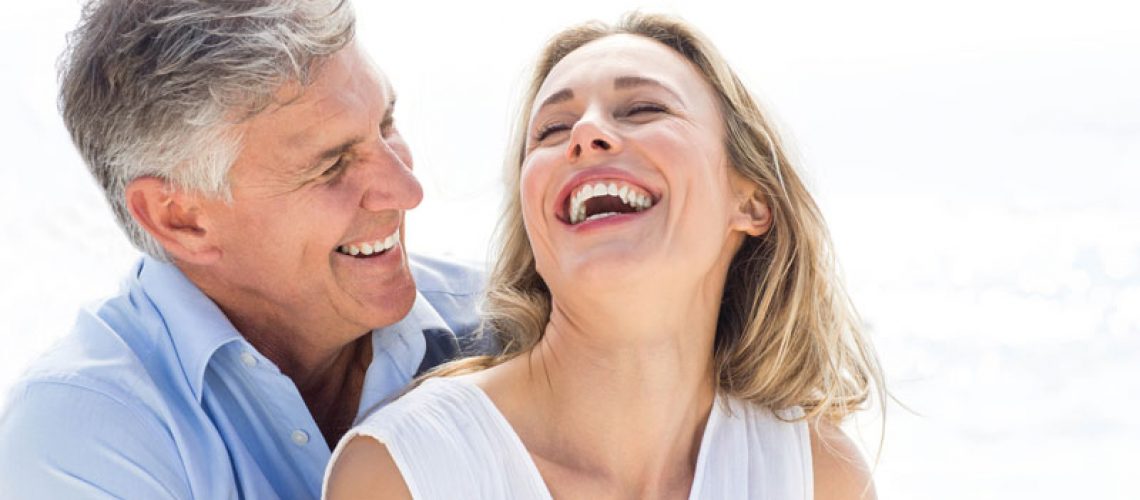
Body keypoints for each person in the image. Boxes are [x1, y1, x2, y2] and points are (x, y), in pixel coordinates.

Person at [325, 12, 884, 500]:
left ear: (752, 201)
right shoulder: (405, 473)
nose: (587, 133)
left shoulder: (818, 477)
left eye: (642, 108)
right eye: (552, 129)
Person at [0, 1, 491, 498]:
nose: (407, 190)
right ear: (181, 219)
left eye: (386, 125)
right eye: (332, 165)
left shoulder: (517, 323)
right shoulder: (78, 438)